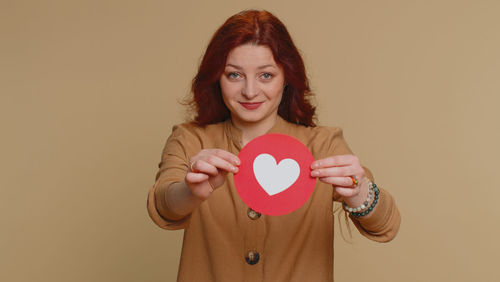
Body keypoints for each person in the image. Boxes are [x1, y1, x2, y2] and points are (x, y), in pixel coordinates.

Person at [147, 9, 400, 282]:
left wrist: (360, 192)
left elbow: (385, 226)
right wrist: (191, 190)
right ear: (217, 78)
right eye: (234, 75)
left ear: (287, 77)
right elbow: (164, 206)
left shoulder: (323, 143)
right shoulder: (191, 139)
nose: (250, 91)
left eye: (266, 75)